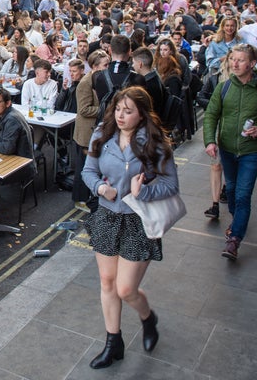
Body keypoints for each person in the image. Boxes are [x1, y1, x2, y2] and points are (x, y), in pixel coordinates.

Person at [82, 86, 179, 369]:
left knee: (126, 289)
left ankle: (148, 318)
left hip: (138, 221)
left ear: (141, 114)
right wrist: (101, 188)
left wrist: (142, 193)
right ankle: (114, 342)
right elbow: (88, 171)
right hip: (108, 216)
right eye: (117, 109)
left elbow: (171, 184)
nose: (120, 115)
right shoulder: (102, 133)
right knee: (107, 283)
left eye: (128, 111)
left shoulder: (154, 141)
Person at [203, 44, 257, 260]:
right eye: (233, 59)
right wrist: (210, 140)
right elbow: (211, 115)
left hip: (251, 151)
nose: (234, 64)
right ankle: (237, 221)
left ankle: (234, 239)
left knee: (243, 194)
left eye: (240, 60)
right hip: (228, 149)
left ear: (252, 64)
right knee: (231, 194)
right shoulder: (224, 87)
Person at [72, 50, 110, 209]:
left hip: (96, 131)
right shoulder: (85, 83)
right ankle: (80, 200)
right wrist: (106, 109)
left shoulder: (102, 79)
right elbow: (84, 110)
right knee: (84, 167)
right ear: (94, 66)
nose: (108, 68)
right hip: (86, 133)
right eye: (105, 65)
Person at [197, 52, 232, 219]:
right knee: (216, 165)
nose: (234, 63)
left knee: (230, 165)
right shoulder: (214, 77)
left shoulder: (246, 82)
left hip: (235, 130)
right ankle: (215, 203)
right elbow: (201, 97)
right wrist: (214, 105)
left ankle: (226, 189)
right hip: (218, 127)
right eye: (232, 60)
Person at [0, 88, 36, 179]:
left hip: (20, 165)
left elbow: (7, 149)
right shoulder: (0, 115)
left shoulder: (12, 119)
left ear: (8, 103)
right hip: (12, 157)